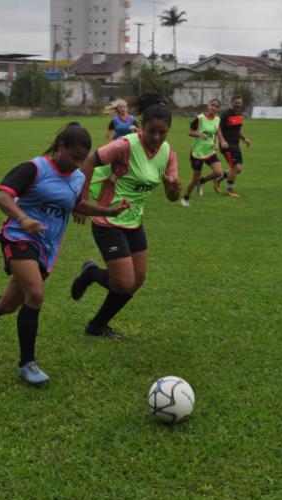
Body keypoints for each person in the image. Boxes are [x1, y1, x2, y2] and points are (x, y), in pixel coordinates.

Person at [0, 123, 130, 385]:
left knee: (7, 305)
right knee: (35, 294)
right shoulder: (35, 168)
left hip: (47, 247)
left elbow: (77, 205)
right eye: (74, 157)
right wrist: (23, 219)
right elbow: (2, 198)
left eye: (82, 159)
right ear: (61, 147)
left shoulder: (78, 178)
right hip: (19, 236)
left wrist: (110, 212)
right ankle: (27, 364)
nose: (78, 164)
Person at [70, 94, 181, 339]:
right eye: (152, 131)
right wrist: (82, 201)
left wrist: (173, 187)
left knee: (136, 281)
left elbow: (173, 196)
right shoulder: (125, 145)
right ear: (141, 127)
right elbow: (88, 162)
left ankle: (97, 325)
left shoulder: (168, 153)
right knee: (122, 283)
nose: (156, 137)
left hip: (134, 221)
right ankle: (90, 272)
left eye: (162, 132)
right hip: (108, 220)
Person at [180, 98, 223, 207]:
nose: (213, 107)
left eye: (216, 106)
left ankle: (202, 182)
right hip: (197, 153)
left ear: (218, 109)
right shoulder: (200, 118)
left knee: (218, 172)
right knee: (194, 179)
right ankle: (185, 198)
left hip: (210, 151)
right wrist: (199, 134)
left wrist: (217, 143)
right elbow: (190, 132)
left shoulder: (217, 120)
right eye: (212, 105)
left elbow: (216, 133)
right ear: (208, 106)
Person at [214, 95, 251, 198]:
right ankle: (229, 190)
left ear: (242, 104)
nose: (238, 104)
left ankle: (219, 179)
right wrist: (222, 141)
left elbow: (238, 130)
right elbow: (218, 129)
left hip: (236, 144)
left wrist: (245, 139)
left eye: (239, 102)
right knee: (235, 167)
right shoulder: (226, 114)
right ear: (232, 103)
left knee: (238, 169)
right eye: (236, 102)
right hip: (227, 145)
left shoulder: (239, 115)